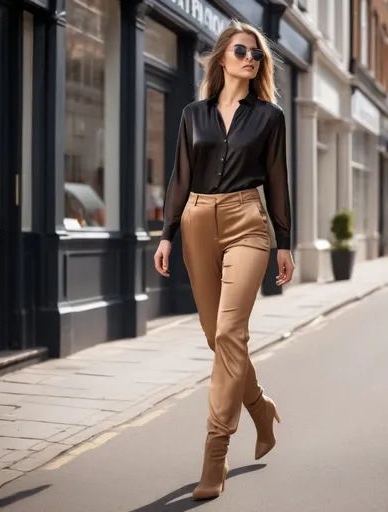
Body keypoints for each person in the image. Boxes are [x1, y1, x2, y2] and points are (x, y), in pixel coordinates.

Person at [154, 19, 294, 501]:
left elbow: (277, 179)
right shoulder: (193, 114)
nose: (251, 59)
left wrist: (284, 241)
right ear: (222, 58)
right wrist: (166, 234)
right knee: (217, 336)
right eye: (242, 51)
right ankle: (258, 404)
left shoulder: (269, 116)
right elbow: (179, 175)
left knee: (232, 333)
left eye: (257, 54)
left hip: (247, 223)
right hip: (195, 221)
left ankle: (214, 454)